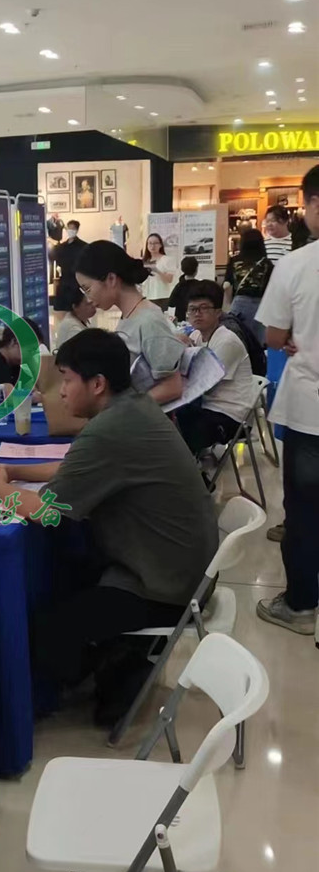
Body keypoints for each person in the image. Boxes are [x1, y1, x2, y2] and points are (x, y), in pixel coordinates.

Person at [0, 330, 218, 724]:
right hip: (185, 565)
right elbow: (77, 467)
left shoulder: (111, 427)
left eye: (67, 379)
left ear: (98, 384)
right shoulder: (132, 408)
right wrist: (17, 472)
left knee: (46, 629)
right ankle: (114, 657)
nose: (61, 392)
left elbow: (45, 511)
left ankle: (116, 664)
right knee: (70, 567)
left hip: (166, 584)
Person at [254, 165, 319, 637]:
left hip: (310, 410)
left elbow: (274, 336)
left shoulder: (297, 264)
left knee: (304, 511)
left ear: (314, 204)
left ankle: (300, 606)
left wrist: (296, 335)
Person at [75, 240, 185, 405]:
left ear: (111, 279)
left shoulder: (148, 321)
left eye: (87, 289)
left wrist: (124, 408)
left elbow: (172, 387)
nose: (88, 298)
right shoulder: (129, 316)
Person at [174, 280, 254, 456]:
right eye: (192, 309)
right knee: (170, 420)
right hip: (205, 406)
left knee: (177, 428)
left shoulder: (226, 341)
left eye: (204, 308)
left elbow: (202, 384)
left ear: (218, 312)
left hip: (230, 414)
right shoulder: (196, 335)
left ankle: (191, 469)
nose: (197, 314)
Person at [223, 227, 273, 346]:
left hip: (239, 306)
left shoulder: (234, 261)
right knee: (258, 344)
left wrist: (227, 306)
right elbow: (271, 289)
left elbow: (227, 285)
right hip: (260, 307)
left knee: (238, 341)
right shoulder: (266, 263)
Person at [52, 220, 87, 317]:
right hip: (64, 280)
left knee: (76, 308)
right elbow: (57, 259)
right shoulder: (62, 246)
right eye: (69, 228)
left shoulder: (83, 246)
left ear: (77, 230)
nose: (71, 231)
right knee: (61, 309)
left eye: (73, 229)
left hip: (76, 281)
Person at [54, 278, 97, 348]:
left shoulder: (81, 321)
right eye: (88, 304)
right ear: (75, 307)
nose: (94, 305)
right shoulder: (73, 329)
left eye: (92, 301)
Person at [141, 232, 176, 307]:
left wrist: (157, 270)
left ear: (160, 245)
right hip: (146, 297)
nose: (152, 246)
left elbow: (169, 279)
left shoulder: (166, 260)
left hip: (161, 297)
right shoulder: (144, 261)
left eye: (155, 243)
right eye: (150, 243)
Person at [168, 255, 200, 323]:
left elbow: (171, 303)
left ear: (182, 269)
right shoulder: (200, 286)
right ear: (196, 270)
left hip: (181, 318)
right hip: (196, 316)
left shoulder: (179, 286)